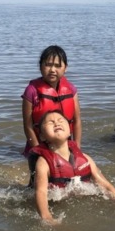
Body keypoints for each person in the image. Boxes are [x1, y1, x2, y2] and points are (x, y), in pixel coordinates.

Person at [31, 110, 115, 225]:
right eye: (50, 122)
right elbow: (41, 192)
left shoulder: (86, 159)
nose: (56, 123)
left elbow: (105, 184)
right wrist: (47, 217)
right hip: (56, 203)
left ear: (70, 131)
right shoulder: (43, 163)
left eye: (60, 121)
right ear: (42, 136)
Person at [21, 45, 82, 183]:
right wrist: (37, 150)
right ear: (40, 66)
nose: (52, 70)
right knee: (37, 182)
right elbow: (28, 125)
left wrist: (77, 147)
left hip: (64, 144)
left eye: (57, 65)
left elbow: (77, 120)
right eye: (48, 65)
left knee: (70, 181)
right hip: (39, 143)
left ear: (65, 67)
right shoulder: (31, 90)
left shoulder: (71, 89)